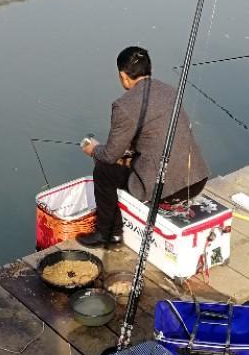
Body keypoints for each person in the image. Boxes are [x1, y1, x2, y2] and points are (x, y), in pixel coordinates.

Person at [79, 46, 209, 247]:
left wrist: (93, 149)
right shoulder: (170, 91)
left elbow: (110, 155)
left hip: (168, 188)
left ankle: (108, 235)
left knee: (103, 171)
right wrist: (129, 156)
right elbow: (153, 139)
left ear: (123, 76)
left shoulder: (123, 106)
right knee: (124, 164)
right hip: (196, 179)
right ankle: (111, 232)